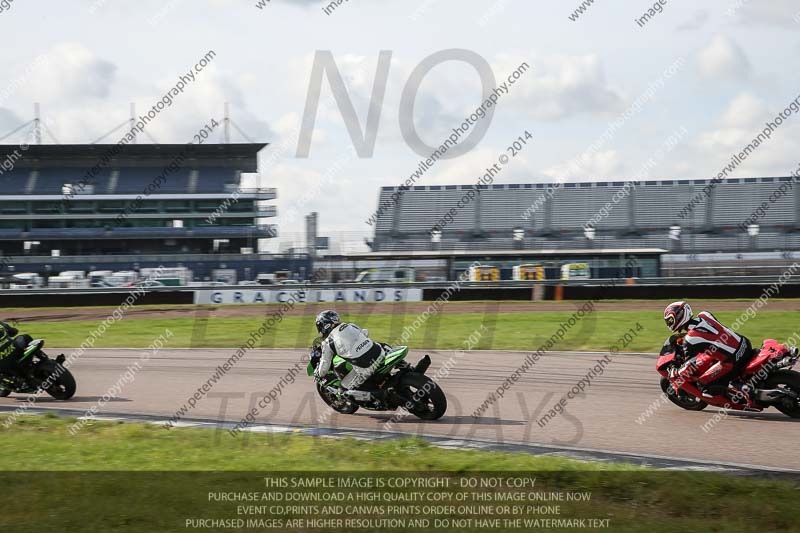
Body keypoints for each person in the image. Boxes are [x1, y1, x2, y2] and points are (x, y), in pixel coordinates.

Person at [663, 301, 755, 405]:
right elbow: (712, 335)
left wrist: (676, 373)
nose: (670, 323)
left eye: (671, 320)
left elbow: (690, 365)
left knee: (704, 384)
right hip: (744, 343)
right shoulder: (705, 314)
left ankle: (743, 389)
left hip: (734, 360)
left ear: (680, 316)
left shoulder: (690, 339)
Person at [313, 310, 388, 401]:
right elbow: (365, 333)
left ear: (324, 325)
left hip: (366, 368)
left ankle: (375, 398)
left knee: (342, 391)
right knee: (380, 345)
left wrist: (318, 374)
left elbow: (324, 366)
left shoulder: (327, 342)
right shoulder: (350, 325)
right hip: (381, 353)